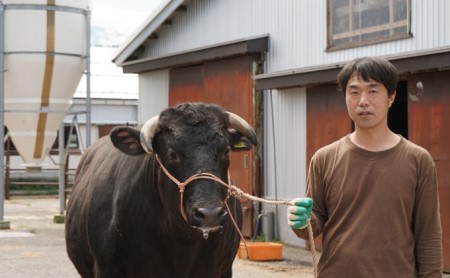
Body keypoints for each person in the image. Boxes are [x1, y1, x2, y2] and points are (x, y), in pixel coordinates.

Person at [287, 57, 443, 277]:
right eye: (354, 92)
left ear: (391, 97)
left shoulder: (418, 160)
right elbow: (315, 224)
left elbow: (428, 236)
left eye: (373, 91)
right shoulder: (324, 158)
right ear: (345, 98)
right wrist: (300, 221)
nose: (363, 101)